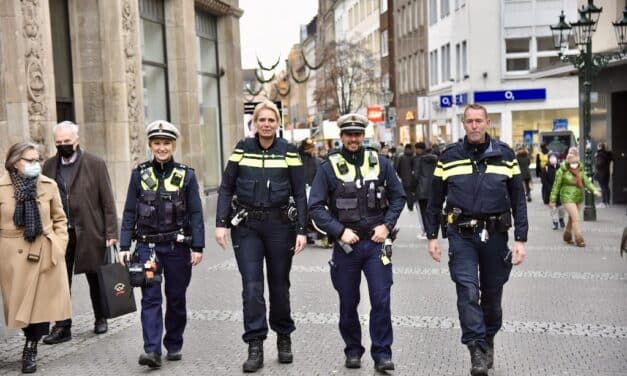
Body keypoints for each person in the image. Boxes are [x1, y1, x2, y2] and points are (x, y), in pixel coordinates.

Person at [425, 104, 527, 376]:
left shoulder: (505, 155)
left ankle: (488, 336)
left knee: (492, 297)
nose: (474, 125)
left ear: (487, 123)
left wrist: (520, 239)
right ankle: (476, 349)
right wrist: (431, 236)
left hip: (495, 236)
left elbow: (519, 199)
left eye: (478, 121)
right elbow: (434, 201)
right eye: (469, 121)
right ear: (463, 124)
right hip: (462, 236)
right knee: (467, 291)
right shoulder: (448, 157)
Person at [215, 100, 307, 373]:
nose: (266, 124)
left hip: (280, 226)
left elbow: (300, 193)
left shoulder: (289, 151)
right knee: (252, 286)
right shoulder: (242, 149)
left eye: (271, 120)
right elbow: (225, 188)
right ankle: (255, 344)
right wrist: (221, 224)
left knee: (279, 286)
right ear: (253, 123)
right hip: (247, 227)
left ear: (278, 124)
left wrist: (302, 229)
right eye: (262, 120)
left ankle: (283, 337)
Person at [308, 113, 406, 372]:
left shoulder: (381, 163)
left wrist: (387, 225)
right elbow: (315, 207)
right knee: (348, 301)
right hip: (346, 247)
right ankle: (352, 350)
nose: (353, 139)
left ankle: (382, 354)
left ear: (364, 136)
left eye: (358, 134)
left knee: (381, 299)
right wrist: (339, 231)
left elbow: (399, 197)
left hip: (377, 245)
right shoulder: (328, 167)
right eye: (349, 134)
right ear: (341, 137)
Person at [118, 120, 205, 369]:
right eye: (157, 143)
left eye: (166, 143)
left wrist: (197, 246)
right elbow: (130, 212)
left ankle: (174, 343)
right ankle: (152, 350)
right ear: (150, 145)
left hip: (178, 249)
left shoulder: (186, 176)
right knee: (151, 297)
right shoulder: (139, 174)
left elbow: (197, 213)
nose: (162, 148)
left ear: (173, 145)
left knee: (176, 298)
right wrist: (125, 245)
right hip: (148, 251)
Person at [40, 121, 118, 345]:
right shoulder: (49, 166)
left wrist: (111, 231)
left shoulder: (95, 163)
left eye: (67, 142)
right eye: (58, 142)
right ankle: (62, 326)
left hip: (91, 230)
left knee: (96, 277)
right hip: (60, 232)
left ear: (77, 141)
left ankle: (100, 317)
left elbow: (108, 202)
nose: (63, 145)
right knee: (60, 280)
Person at [0, 142, 71, 373]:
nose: (35, 165)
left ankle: (31, 347)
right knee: (19, 307)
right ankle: (27, 337)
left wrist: (58, 245)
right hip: (11, 257)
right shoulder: (1, 187)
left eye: (37, 160)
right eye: (29, 160)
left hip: (43, 251)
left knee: (40, 307)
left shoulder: (48, 185)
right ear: (14, 162)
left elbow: (60, 220)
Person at [549, 147, 600, 247]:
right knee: (576, 218)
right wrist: (552, 200)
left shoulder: (580, 170)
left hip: (578, 198)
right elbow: (556, 186)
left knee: (571, 219)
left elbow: (587, 182)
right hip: (567, 197)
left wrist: (594, 190)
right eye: (571, 158)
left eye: (575, 159)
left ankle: (567, 236)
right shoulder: (562, 171)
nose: (574, 163)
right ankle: (579, 239)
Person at [413, 143, 438, 240]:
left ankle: (426, 232)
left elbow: (416, 176)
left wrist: (413, 189)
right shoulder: (436, 159)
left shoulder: (418, 160)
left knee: (423, 212)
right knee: (432, 211)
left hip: (421, 190)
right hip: (434, 189)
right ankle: (432, 231)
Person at [541, 152, 565, 230]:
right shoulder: (546, 168)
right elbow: (544, 181)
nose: (552, 159)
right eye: (551, 158)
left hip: (560, 192)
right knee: (553, 208)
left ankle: (561, 219)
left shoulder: (561, 167)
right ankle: (555, 223)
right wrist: (550, 189)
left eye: (554, 157)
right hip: (550, 192)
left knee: (561, 208)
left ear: (557, 159)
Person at [395, 144, 415, 211]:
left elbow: (397, 168)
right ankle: (411, 204)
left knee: (407, 191)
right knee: (411, 191)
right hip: (413, 177)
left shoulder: (401, 157)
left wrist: (400, 175)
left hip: (404, 178)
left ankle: (409, 205)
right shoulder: (413, 156)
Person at [594, 142, 613, 207]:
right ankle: (607, 202)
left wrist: (596, 159)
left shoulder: (599, 154)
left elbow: (599, 164)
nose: (597, 147)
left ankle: (604, 202)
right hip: (607, 172)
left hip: (601, 173)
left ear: (600, 147)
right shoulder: (607, 154)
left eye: (598, 146)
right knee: (606, 187)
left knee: (603, 187)